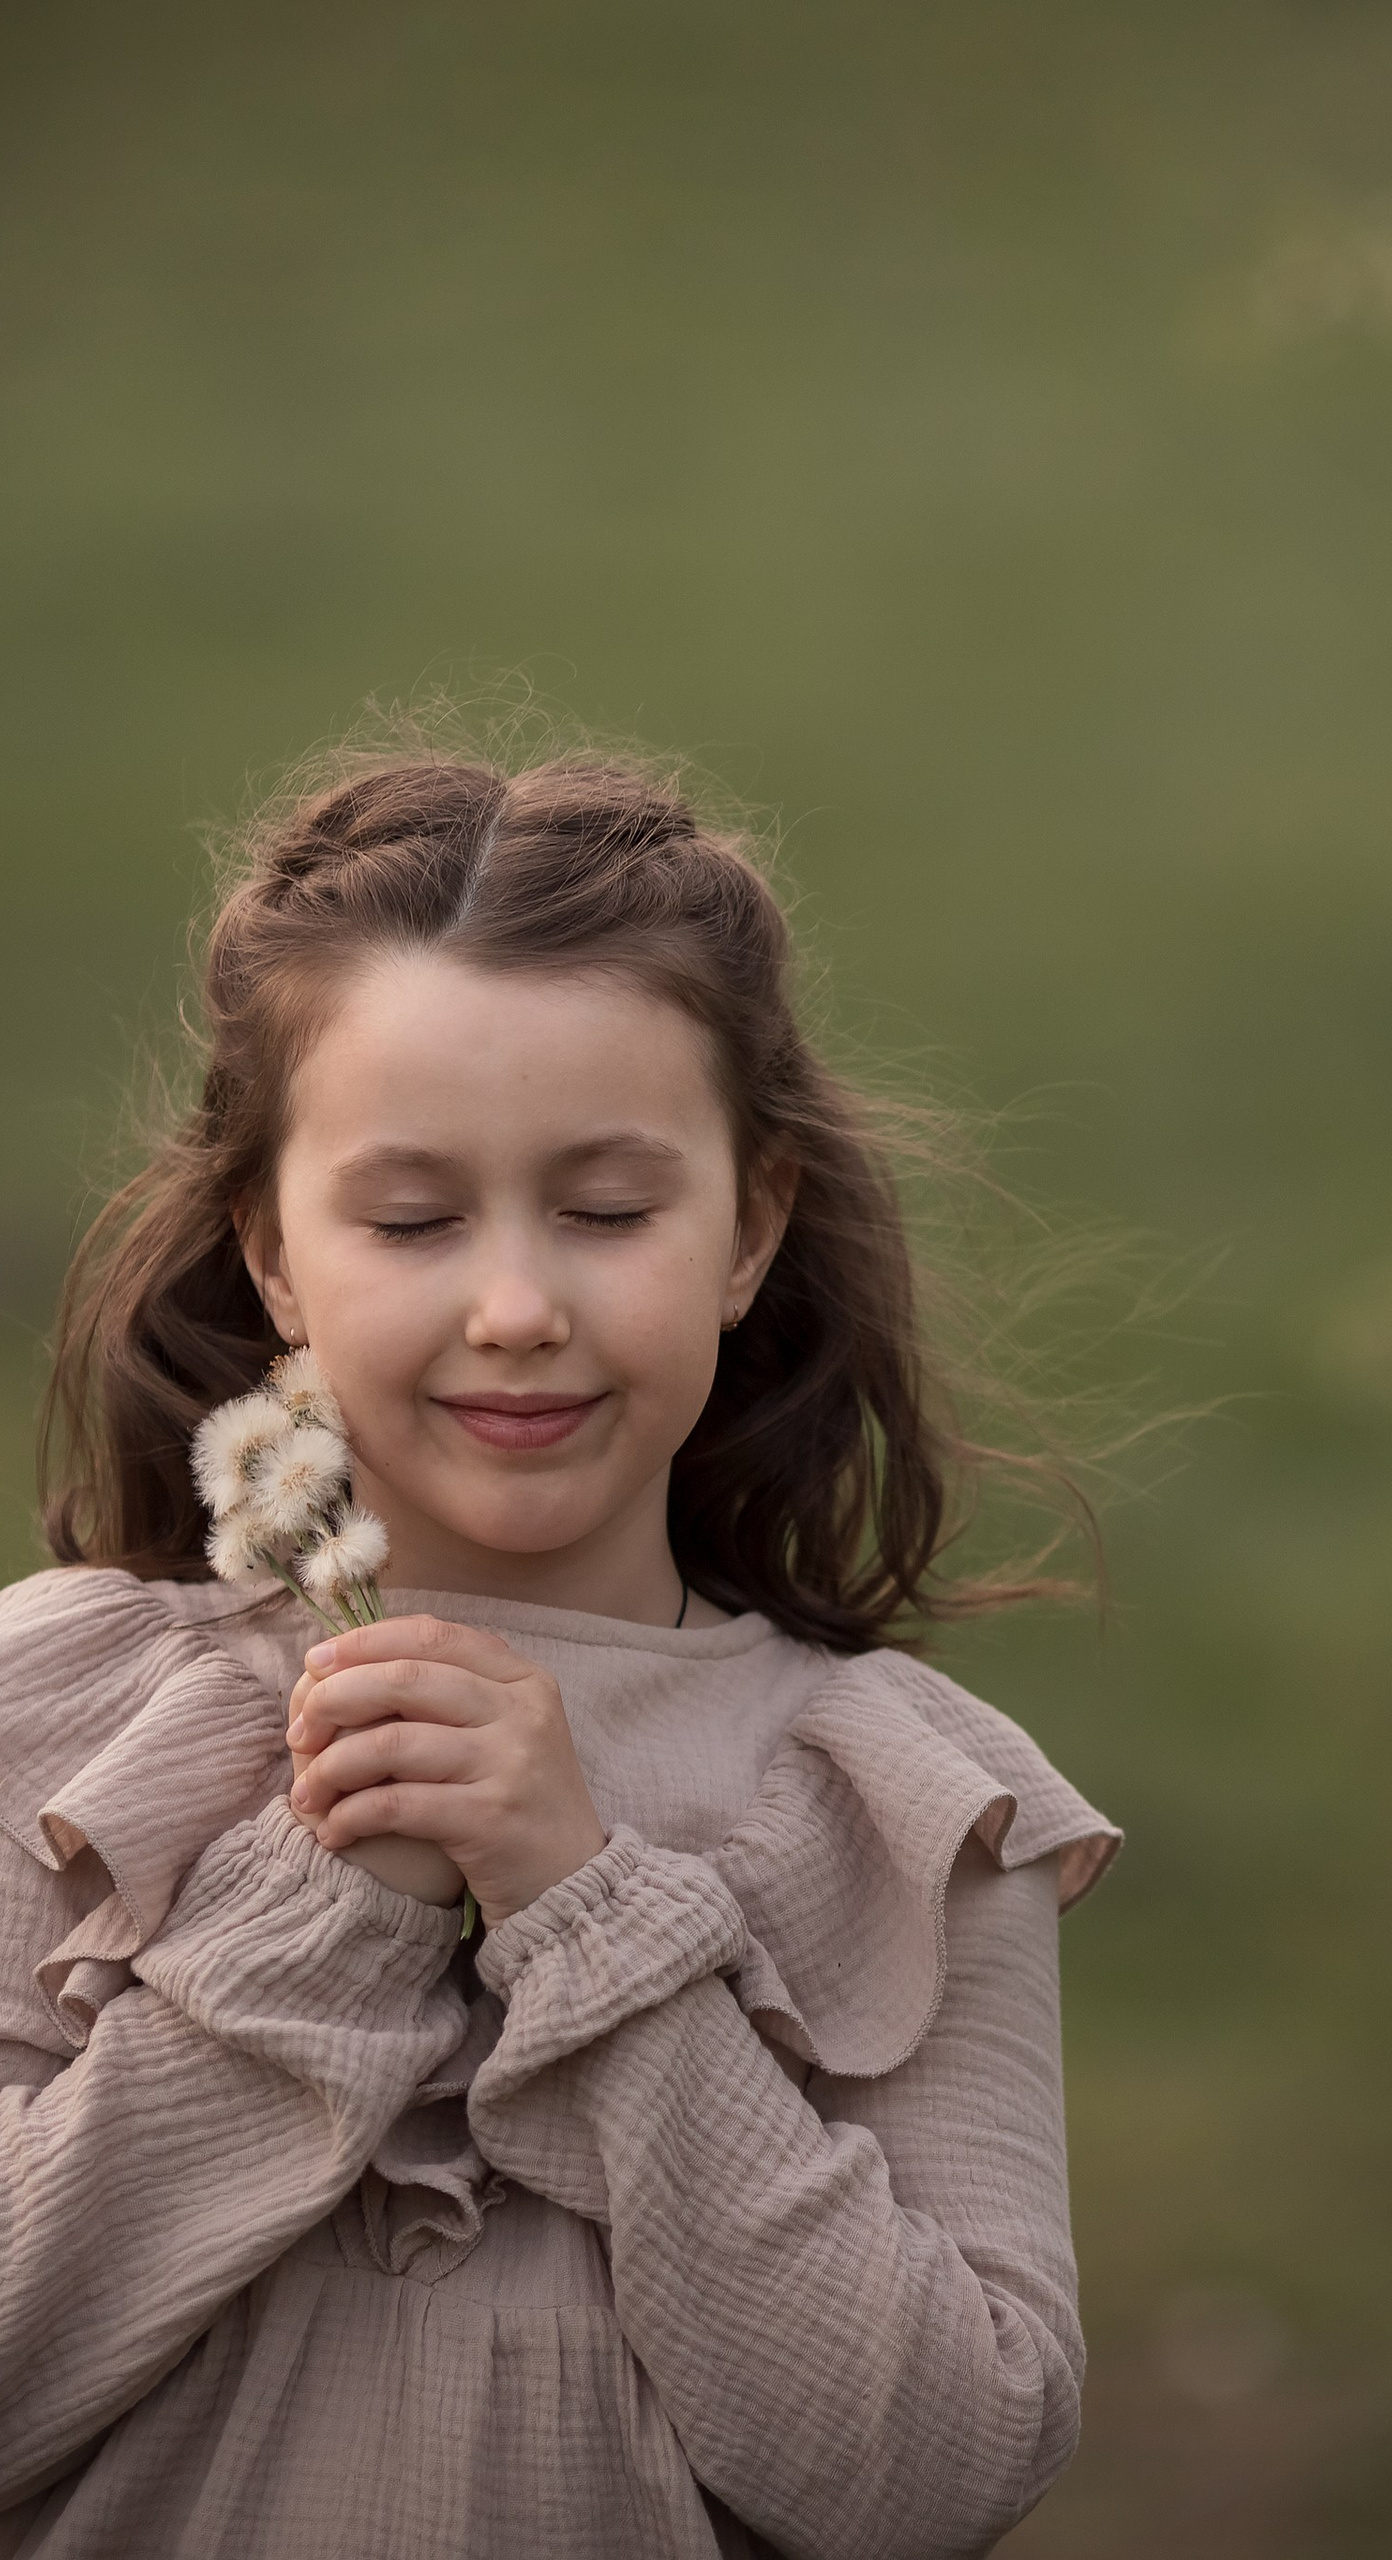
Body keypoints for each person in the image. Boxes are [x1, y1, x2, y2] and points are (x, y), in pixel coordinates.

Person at [0, 742, 1122, 2558]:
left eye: (607, 1213)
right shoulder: (53, 1714)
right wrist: (328, 1905)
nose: (518, 1307)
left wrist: (589, 1917)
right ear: (272, 1254)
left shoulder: (897, 1807)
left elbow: (933, 2478)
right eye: (412, 1219)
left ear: (750, 1229)